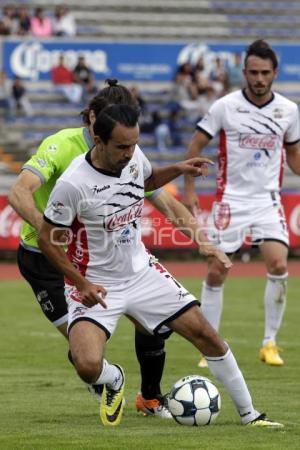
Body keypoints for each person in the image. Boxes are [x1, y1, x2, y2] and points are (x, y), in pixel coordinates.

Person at [38, 103, 282, 428]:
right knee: (86, 365)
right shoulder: (72, 184)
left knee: (207, 335)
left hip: (142, 275)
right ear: (98, 140)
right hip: (93, 284)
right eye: (122, 146)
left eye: (134, 144)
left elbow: (149, 182)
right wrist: (79, 282)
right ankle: (113, 379)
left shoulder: (134, 157)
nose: (130, 152)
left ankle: (251, 415)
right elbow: (46, 240)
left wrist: (181, 176)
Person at [8, 79, 212, 420]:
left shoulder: (123, 154)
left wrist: (204, 241)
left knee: (154, 325)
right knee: (82, 351)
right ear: (92, 119)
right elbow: (19, 193)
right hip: (43, 260)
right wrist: (54, 233)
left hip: (105, 260)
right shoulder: (61, 146)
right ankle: (108, 379)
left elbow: (161, 201)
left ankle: (150, 397)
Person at [184, 39, 300, 368]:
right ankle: (210, 344)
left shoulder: (289, 111)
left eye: (265, 72)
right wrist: (189, 189)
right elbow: (196, 144)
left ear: (275, 73)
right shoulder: (225, 106)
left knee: (279, 265)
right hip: (231, 201)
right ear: (244, 72)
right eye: (253, 72)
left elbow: (292, 156)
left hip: (268, 200)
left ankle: (269, 343)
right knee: (218, 269)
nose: (259, 78)